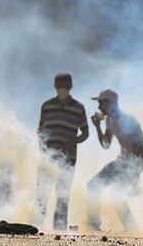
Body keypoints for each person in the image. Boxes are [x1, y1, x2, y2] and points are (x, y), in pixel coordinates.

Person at [87, 89, 143, 232]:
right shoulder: (111, 119)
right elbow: (106, 144)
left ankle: (128, 227)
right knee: (97, 187)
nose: (98, 107)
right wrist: (97, 127)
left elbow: (139, 147)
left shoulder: (126, 119)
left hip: (133, 162)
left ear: (109, 103)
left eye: (101, 102)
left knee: (108, 191)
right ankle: (96, 225)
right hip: (125, 161)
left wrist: (135, 176)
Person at [36, 72, 89, 230]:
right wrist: (44, 151)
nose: (63, 88)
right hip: (48, 158)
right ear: (55, 87)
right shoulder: (47, 106)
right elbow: (40, 131)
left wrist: (72, 142)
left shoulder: (79, 108)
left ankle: (59, 232)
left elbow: (85, 133)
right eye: (60, 85)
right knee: (41, 194)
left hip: (68, 159)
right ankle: (36, 228)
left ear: (71, 87)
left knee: (63, 196)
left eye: (66, 85)